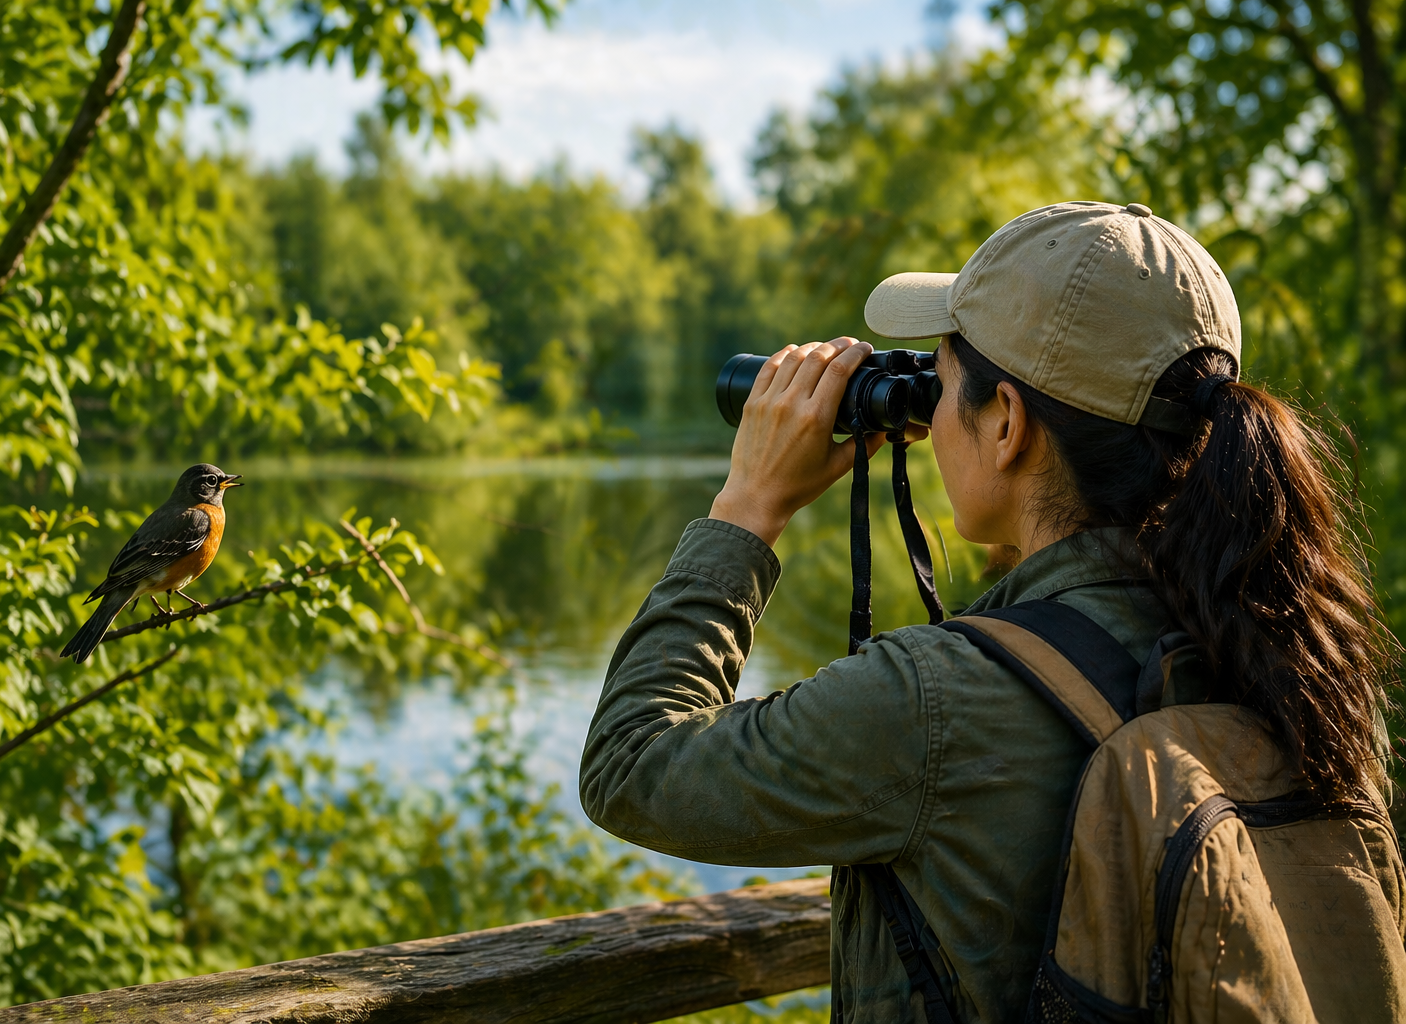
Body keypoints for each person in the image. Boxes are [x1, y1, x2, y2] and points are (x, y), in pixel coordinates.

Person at [579, 201, 1397, 1022]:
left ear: (1005, 423)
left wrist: (747, 508)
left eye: (940, 382)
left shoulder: (936, 702)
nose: (929, 418)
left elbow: (630, 764)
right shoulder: (1301, 654)